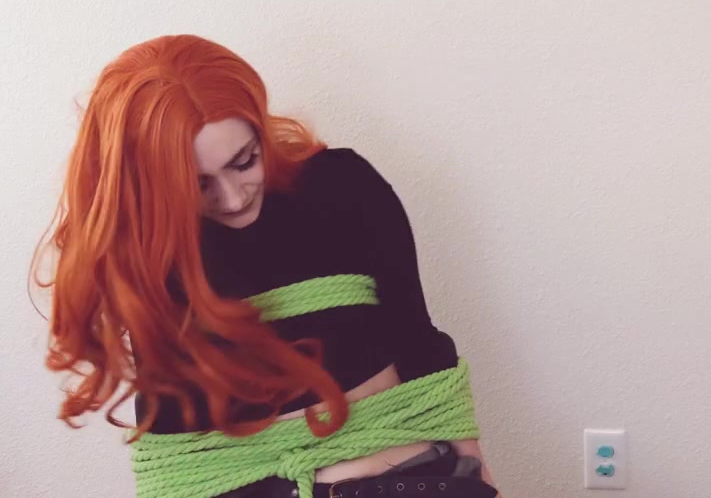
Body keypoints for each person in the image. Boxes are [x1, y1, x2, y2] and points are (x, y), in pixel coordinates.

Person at [31, 34, 502, 498]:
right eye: (198, 185)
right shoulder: (151, 249)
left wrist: (478, 478)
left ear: (258, 127)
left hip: (390, 482)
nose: (233, 198)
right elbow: (171, 432)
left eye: (244, 161)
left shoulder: (343, 187)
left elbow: (417, 341)